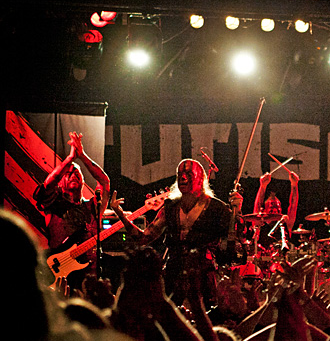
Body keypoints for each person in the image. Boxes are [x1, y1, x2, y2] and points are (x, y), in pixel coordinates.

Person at [110, 158, 236, 308]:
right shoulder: (170, 208)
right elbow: (144, 238)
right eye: (180, 174)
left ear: (200, 178)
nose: (183, 177)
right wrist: (121, 216)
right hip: (174, 273)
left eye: (188, 174)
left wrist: (237, 210)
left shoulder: (217, 208)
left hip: (203, 275)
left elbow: (233, 239)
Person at [33, 131, 111, 290]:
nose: (73, 173)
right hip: (60, 278)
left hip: (90, 280)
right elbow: (47, 186)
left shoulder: (93, 207)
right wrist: (69, 159)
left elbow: (104, 181)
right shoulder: (53, 204)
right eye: (68, 173)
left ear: (83, 181)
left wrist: (81, 155)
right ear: (61, 184)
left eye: (77, 172)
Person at [252, 169, 299, 253]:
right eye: (271, 205)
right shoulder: (260, 222)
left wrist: (294, 185)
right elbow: (258, 205)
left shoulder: (285, 223)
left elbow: (293, 204)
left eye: (277, 206)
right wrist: (262, 186)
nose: (275, 208)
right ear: (265, 209)